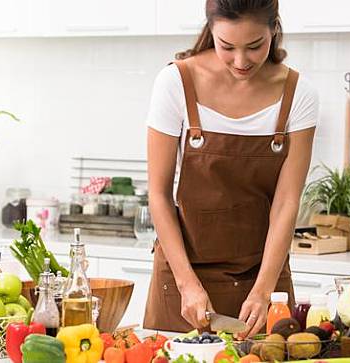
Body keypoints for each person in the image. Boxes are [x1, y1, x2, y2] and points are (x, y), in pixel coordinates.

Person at [143, 0, 318, 337]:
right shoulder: (175, 81)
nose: (241, 61)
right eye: (227, 46)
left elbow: (286, 202)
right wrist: (187, 283)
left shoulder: (299, 94)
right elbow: (159, 194)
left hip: (263, 277)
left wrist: (264, 289)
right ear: (210, 31)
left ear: (274, 30)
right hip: (182, 280)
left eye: (255, 46)